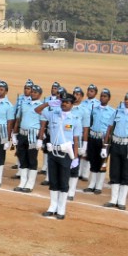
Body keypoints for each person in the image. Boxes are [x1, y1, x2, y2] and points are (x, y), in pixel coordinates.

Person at [37, 92, 81, 220]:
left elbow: (76, 140)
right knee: (53, 180)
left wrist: (76, 157)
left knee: (63, 181)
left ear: (72, 105)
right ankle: (52, 206)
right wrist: (49, 103)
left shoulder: (75, 120)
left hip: (66, 153)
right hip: (53, 151)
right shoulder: (53, 114)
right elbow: (37, 110)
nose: (64, 104)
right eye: (63, 102)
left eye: (67, 102)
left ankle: (61, 208)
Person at [102, 91, 128, 210]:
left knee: (126, 172)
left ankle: (121, 201)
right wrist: (105, 146)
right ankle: (113, 199)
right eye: (126, 99)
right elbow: (109, 130)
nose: (127, 101)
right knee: (114, 172)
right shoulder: (116, 113)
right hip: (116, 144)